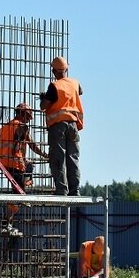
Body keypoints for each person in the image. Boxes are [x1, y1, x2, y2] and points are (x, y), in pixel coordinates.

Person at [0, 102, 48, 236]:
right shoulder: (21, 127)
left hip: (4, 162)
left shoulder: (7, 126)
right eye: (27, 116)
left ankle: (7, 223)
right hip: (15, 164)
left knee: (18, 192)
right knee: (18, 195)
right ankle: (5, 223)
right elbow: (30, 145)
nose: (28, 120)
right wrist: (45, 155)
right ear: (21, 113)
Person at [39, 56, 84, 196]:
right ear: (66, 69)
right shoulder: (75, 83)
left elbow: (43, 106)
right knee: (73, 158)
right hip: (73, 126)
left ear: (54, 71)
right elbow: (79, 92)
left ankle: (61, 190)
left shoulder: (54, 86)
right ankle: (74, 190)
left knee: (58, 158)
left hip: (58, 126)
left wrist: (44, 97)